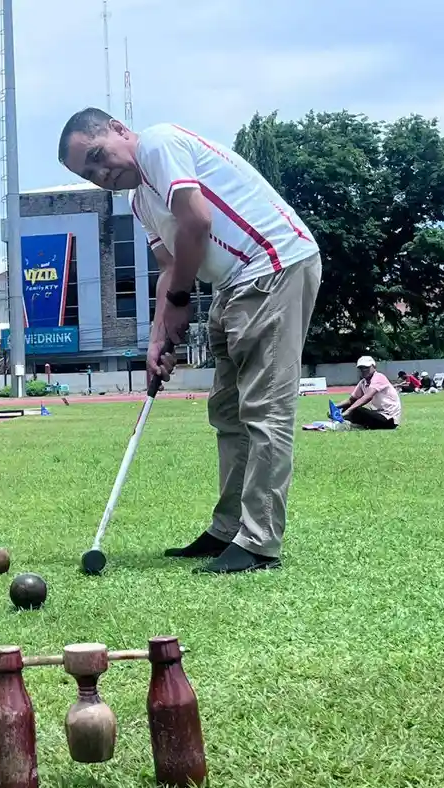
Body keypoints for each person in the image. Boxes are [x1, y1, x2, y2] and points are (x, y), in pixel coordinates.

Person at [57, 107, 322, 574]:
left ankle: (259, 541)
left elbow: (196, 223)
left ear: (119, 129)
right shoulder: (141, 202)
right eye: (90, 174)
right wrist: (158, 338)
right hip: (233, 284)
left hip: (274, 268)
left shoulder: (159, 143)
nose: (102, 174)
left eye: (98, 156)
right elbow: (167, 269)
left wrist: (181, 298)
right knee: (226, 410)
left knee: (264, 409)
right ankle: (228, 529)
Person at [338, 356, 401, 429]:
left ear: (374, 367)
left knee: (355, 409)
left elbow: (368, 397)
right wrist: (335, 407)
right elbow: (351, 400)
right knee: (348, 407)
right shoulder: (363, 383)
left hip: (389, 418)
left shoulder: (379, 377)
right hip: (378, 414)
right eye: (361, 368)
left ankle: (352, 424)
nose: (364, 370)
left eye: (366, 367)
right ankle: (356, 424)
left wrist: (349, 410)